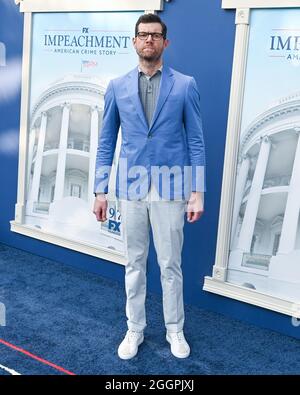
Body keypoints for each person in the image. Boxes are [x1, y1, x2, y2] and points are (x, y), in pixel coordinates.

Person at [93, 13, 206, 360]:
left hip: (171, 189)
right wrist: (100, 189)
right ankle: (135, 329)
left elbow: (197, 141)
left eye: (155, 35)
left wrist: (197, 191)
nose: (149, 41)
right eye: (143, 35)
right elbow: (107, 140)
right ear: (134, 41)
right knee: (134, 263)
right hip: (130, 188)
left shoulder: (185, 85)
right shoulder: (117, 86)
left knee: (170, 265)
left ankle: (175, 330)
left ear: (165, 42)